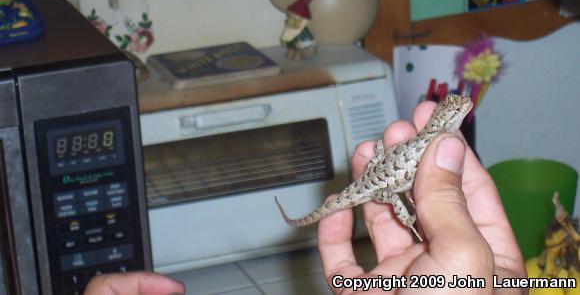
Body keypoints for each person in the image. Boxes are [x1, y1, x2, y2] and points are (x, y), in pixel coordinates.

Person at [85, 100, 526, 294]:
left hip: (384, 176)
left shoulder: (436, 137)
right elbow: (412, 178)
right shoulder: (438, 143)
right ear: (449, 120)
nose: (462, 110)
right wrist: (411, 214)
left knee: (381, 170)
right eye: (457, 109)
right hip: (384, 182)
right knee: (390, 189)